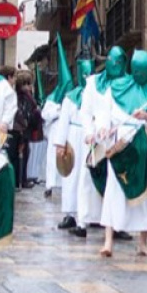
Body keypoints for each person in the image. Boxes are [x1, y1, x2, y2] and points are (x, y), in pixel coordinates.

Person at [96, 50, 147, 258]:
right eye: (136, 71)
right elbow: (105, 111)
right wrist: (104, 128)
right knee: (114, 189)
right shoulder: (117, 87)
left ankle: (143, 242)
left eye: (143, 72)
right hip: (122, 146)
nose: (138, 75)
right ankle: (108, 241)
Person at [77, 48, 127, 239]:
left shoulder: (127, 85)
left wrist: (119, 129)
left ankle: (117, 224)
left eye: (119, 62)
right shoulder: (93, 84)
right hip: (96, 139)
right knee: (88, 179)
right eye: (112, 61)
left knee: (117, 180)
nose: (115, 65)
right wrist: (90, 132)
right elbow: (86, 111)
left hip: (117, 139)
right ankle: (82, 221)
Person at [54, 59, 94, 232]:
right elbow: (63, 122)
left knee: (87, 177)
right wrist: (60, 144)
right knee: (71, 177)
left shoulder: (96, 95)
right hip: (72, 139)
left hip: (88, 138)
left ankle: (88, 214)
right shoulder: (70, 98)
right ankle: (70, 213)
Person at [42, 43, 75, 200]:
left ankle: (65, 185)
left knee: (67, 161)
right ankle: (49, 186)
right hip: (55, 135)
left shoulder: (74, 98)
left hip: (70, 135)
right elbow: (45, 115)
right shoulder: (52, 99)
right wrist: (59, 111)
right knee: (52, 161)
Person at [9, 71, 40, 189]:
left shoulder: (19, 96)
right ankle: (20, 180)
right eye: (27, 84)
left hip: (21, 129)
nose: (29, 87)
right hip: (21, 129)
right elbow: (23, 114)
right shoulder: (23, 97)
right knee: (21, 155)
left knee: (22, 155)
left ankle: (20, 179)